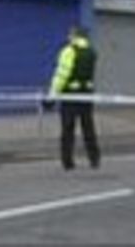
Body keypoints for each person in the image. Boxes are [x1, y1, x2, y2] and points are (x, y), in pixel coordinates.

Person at [49, 25, 100, 171]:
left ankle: (68, 162)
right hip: (87, 95)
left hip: (70, 96)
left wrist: (52, 95)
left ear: (75, 35)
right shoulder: (92, 52)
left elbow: (61, 75)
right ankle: (94, 159)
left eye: (70, 34)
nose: (68, 37)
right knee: (88, 127)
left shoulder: (68, 51)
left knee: (67, 130)